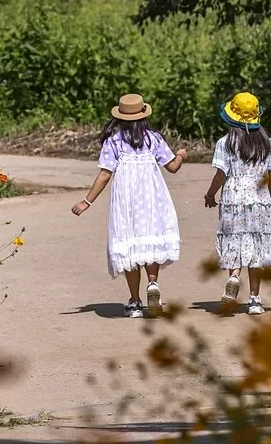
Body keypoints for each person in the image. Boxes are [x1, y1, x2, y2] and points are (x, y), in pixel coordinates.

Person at [72, 94, 187, 318]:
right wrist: (181, 155)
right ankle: (152, 284)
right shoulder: (153, 139)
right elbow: (172, 166)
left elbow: (105, 174)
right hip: (151, 200)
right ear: (144, 115)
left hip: (125, 201)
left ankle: (135, 301)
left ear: (120, 117)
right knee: (149, 239)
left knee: (130, 244)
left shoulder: (113, 141)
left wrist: (87, 201)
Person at [203, 92, 271, 315]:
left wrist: (210, 194)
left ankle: (234, 277)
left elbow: (221, 175)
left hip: (233, 199)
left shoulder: (225, 143)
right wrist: (267, 194)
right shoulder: (267, 144)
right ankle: (254, 300)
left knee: (235, 239)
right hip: (259, 198)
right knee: (256, 247)